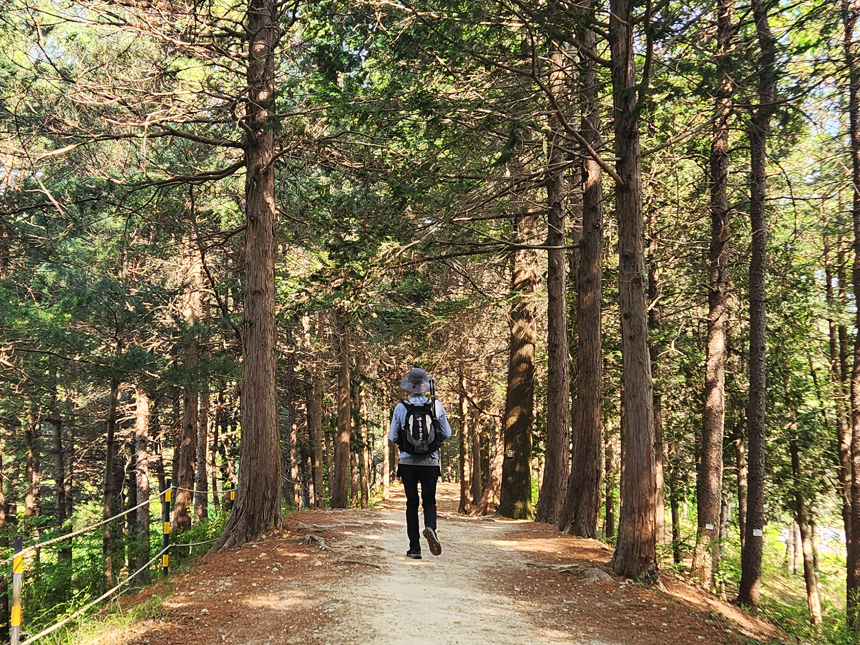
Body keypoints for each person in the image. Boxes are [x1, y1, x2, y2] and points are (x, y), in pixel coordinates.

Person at [389, 367, 452, 559]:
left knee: (412, 504)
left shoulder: (401, 408)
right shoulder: (436, 406)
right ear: (425, 386)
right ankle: (430, 527)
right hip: (430, 462)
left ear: (409, 386)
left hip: (407, 462)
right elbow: (447, 433)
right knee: (429, 501)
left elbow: (392, 436)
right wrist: (432, 444)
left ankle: (414, 549)